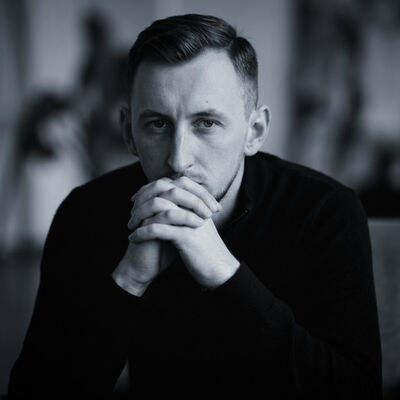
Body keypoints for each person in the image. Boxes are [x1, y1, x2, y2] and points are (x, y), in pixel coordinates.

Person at [8, 14, 382, 398]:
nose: (179, 159)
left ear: (254, 131)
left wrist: (226, 276)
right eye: (157, 124)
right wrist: (128, 281)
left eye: (206, 123)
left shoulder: (325, 210)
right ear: (128, 132)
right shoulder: (85, 214)